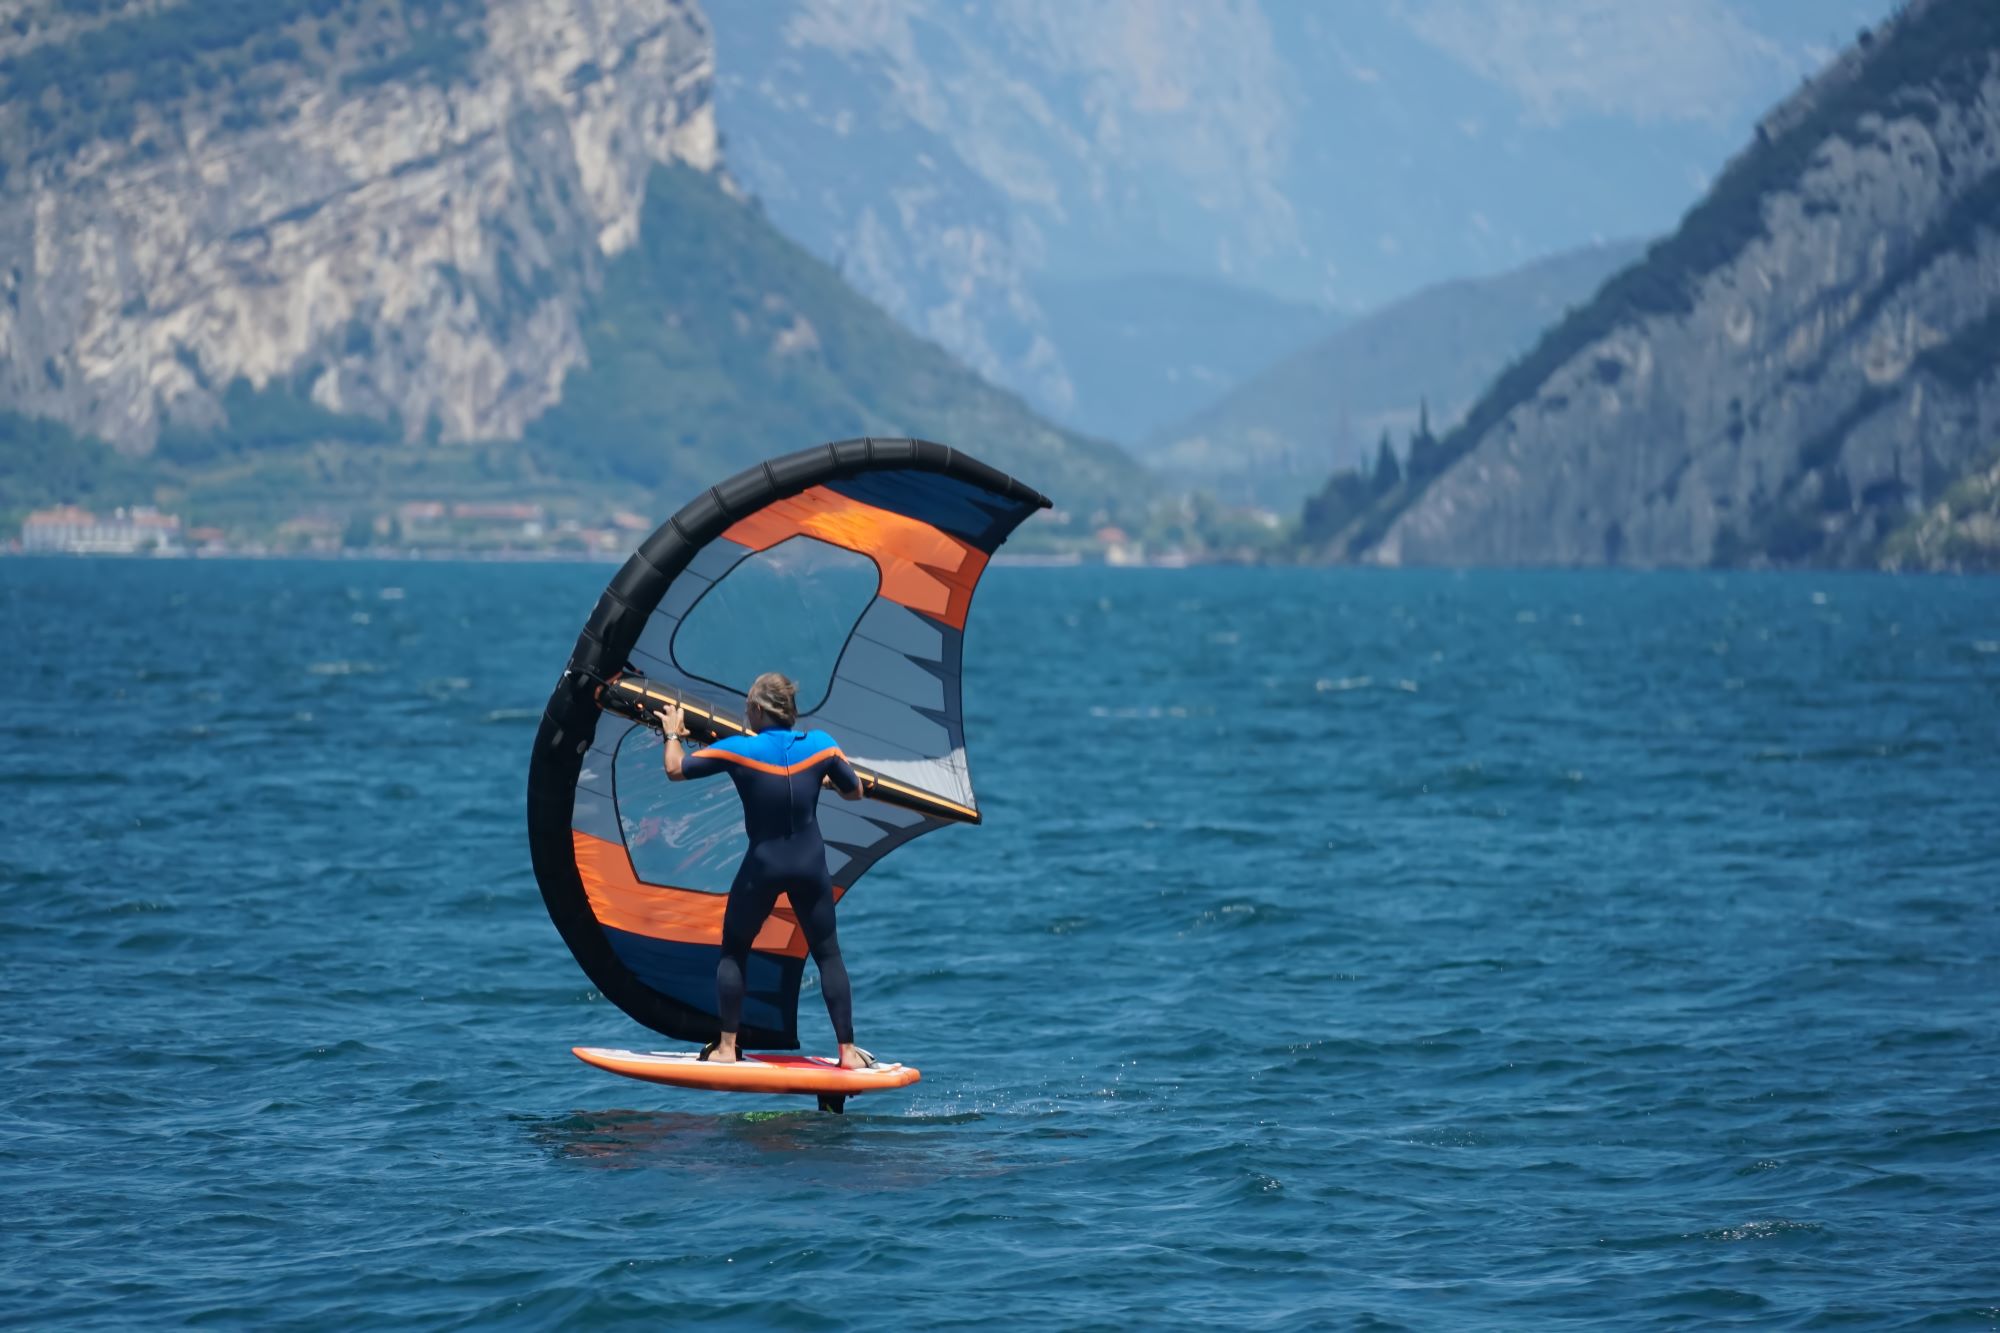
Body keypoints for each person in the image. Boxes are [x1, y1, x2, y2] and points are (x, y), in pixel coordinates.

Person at [655, 672, 875, 1069]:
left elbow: (674, 769)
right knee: (827, 954)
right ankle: (847, 1052)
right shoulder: (822, 746)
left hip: (764, 866)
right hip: (811, 865)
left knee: (735, 949)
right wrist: (820, 778)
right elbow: (855, 791)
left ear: (757, 710)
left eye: (747, 709)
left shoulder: (737, 749)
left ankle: (726, 1047)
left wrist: (672, 732)